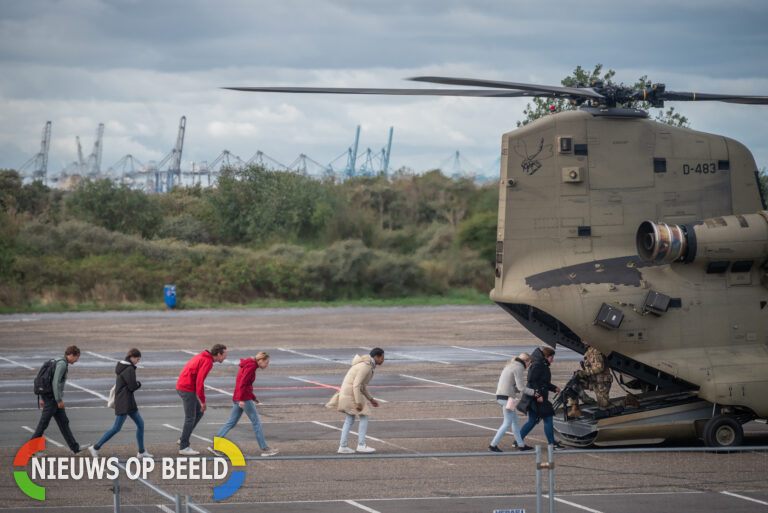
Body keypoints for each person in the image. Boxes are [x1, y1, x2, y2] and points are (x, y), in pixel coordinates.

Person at [209, 352, 278, 457]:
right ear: (261, 360)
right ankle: (264, 448)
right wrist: (242, 400)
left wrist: (253, 397)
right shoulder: (251, 367)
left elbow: (245, 384)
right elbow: (243, 383)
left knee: (231, 423)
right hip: (244, 399)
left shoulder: (248, 364)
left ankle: (215, 445)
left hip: (239, 397)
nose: (267, 365)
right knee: (256, 422)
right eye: (267, 362)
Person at [89, 348, 152, 459]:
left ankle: (141, 451)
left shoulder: (123, 367)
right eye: (137, 359)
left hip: (128, 402)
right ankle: (95, 447)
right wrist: (139, 384)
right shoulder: (129, 369)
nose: (138, 361)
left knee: (140, 424)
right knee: (116, 428)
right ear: (132, 357)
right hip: (124, 402)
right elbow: (132, 386)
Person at [326, 348, 384, 454]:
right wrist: (358, 402)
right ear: (376, 357)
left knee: (350, 418)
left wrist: (371, 399)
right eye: (382, 358)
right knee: (364, 415)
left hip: (347, 393)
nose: (383, 360)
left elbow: (362, 386)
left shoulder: (365, 364)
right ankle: (361, 445)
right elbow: (357, 385)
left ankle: (343, 446)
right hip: (350, 395)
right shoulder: (366, 366)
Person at [31, 345, 87, 454]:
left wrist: (43, 397)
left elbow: (44, 379)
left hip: (50, 397)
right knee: (43, 424)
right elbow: (55, 382)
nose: (77, 360)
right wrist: (58, 400)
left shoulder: (55, 360)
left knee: (64, 422)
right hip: (53, 399)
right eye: (77, 358)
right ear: (71, 355)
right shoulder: (61, 364)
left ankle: (75, 448)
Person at [176, 344, 227, 455]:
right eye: (224, 355)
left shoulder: (203, 356)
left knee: (199, 413)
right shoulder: (207, 361)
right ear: (218, 354)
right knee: (190, 417)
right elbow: (199, 382)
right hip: (186, 388)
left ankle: (183, 438)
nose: (225, 357)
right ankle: (184, 447)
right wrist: (203, 401)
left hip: (185, 386)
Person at [518, 346, 562, 450]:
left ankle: (518, 441)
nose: (553, 359)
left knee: (532, 421)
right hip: (537, 397)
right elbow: (532, 380)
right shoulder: (539, 365)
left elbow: (543, 382)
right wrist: (538, 395)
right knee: (548, 418)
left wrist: (554, 388)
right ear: (547, 356)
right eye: (552, 357)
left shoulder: (541, 364)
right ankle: (552, 443)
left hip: (535, 397)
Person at [488, 353, 533, 452]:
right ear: (526, 361)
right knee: (507, 422)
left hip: (503, 396)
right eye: (530, 363)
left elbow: (514, 385)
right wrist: (534, 393)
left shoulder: (511, 365)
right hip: (507, 398)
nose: (529, 365)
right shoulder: (519, 368)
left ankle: (521, 445)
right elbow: (521, 387)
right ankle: (493, 444)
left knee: (514, 422)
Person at [568, 340, 613, 417]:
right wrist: (581, 374)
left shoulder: (597, 351)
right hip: (593, 381)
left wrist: (586, 372)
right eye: (582, 340)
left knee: (604, 406)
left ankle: (626, 402)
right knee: (572, 386)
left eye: (584, 340)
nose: (583, 342)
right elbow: (589, 368)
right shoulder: (587, 353)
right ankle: (575, 409)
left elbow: (600, 367)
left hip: (602, 381)